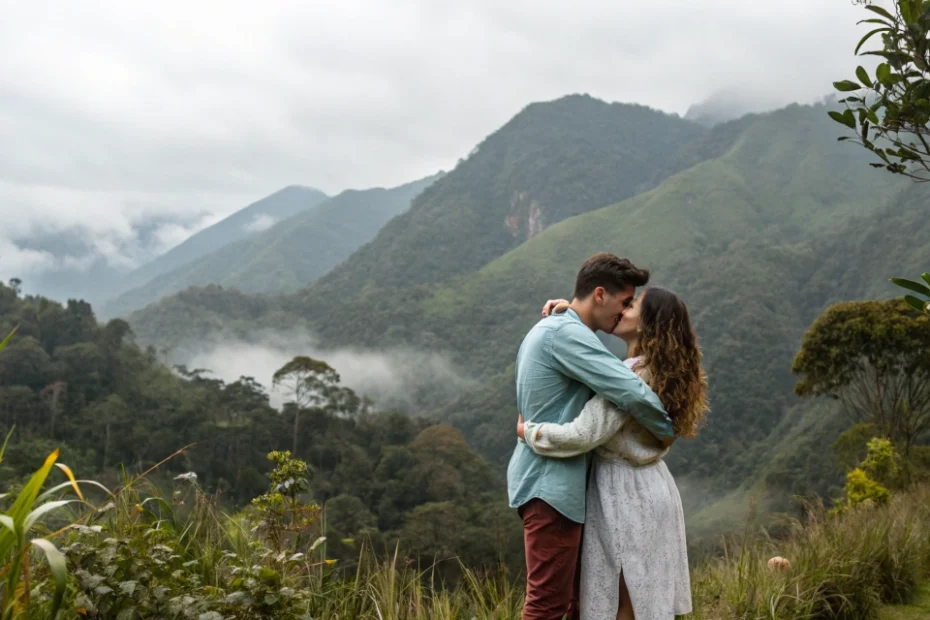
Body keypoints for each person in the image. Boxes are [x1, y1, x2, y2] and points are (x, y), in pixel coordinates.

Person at [519, 287, 709, 619]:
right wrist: (575, 313)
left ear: (649, 324)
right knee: (639, 602)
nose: (622, 310)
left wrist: (529, 432)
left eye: (631, 305)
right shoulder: (650, 369)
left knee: (624, 605)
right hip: (651, 487)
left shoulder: (632, 377)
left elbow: (583, 434)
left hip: (626, 494)